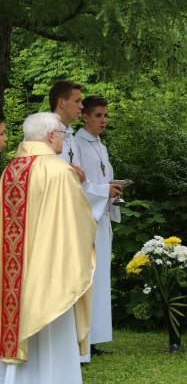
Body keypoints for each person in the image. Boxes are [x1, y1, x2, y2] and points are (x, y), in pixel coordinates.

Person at [0, 112, 96, 383]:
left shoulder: (11, 170)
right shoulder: (59, 170)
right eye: (63, 136)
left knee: (19, 319)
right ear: (51, 136)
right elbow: (76, 224)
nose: (64, 142)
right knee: (52, 323)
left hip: (13, 275)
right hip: (50, 271)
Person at [74, 96, 122, 360]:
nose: (104, 120)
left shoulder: (100, 146)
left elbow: (101, 178)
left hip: (101, 217)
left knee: (101, 278)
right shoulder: (77, 144)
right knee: (89, 277)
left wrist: (112, 190)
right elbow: (78, 184)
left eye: (105, 115)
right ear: (85, 117)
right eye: (99, 115)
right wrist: (105, 190)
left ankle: (96, 336)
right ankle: (84, 338)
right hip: (86, 219)